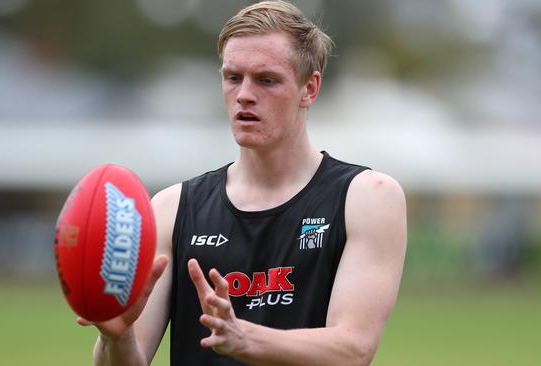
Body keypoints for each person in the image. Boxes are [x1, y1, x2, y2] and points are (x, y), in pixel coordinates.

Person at [78, 1, 407, 365]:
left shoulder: (367, 197)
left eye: (266, 80)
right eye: (233, 77)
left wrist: (245, 337)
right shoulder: (171, 209)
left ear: (309, 88)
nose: (245, 94)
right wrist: (118, 339)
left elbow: (353, 350)